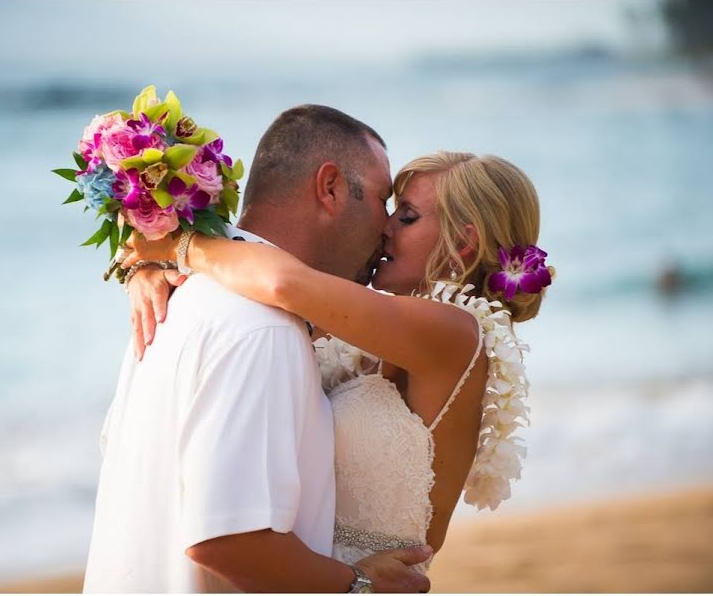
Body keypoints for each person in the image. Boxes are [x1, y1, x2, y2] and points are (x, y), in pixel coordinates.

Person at [123, 150, 551, 573]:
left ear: (463, 241)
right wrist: (146, 269)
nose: (384, 228)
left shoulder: (453, 332)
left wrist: (175, 243)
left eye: (406, 216)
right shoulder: (392, 329)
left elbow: (282, 282)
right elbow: (258, 302)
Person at [83, 105, 433, 593]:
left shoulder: (181, 299)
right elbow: (228, 539)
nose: (387, 226)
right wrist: (358, 585)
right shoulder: (262, 328)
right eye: (381, 199)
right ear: (330, 188)